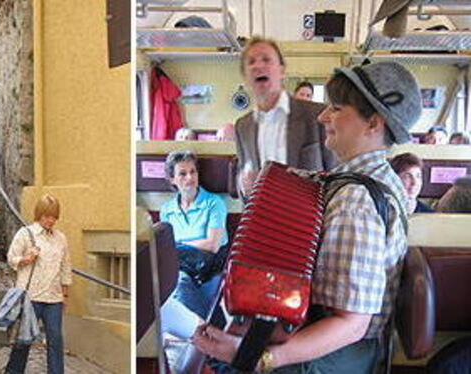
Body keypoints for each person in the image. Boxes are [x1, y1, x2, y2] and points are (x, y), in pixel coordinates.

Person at [193, 61, 421, 374]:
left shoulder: (356, 200)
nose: (322, 116)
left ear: (373, 124)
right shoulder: (372, 178)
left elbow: (351, 325)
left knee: (226, 364)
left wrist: (258, 358)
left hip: (341, 351)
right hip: (328, 333)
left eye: (337, 108)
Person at [235, 37, 335, 199]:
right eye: (251, 62)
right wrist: (242, 183)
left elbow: (336, 174)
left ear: (282, 71)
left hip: (309, 219)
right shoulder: (242, 127)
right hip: (262, 218)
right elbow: (242, 172)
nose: (258, 66)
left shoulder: (317, 116)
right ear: (245, 77)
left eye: (266, 60)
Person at [5, 194, 72, 374]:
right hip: (30, 297)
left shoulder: (60, 238)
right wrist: (27, 258)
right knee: (23, 340)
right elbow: (11, 259)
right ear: (39, 214)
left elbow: (65, 266)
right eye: (47, 216)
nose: (51, 220)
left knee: (55, 340)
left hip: (53, 298)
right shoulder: (26, 234)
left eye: (54, 217)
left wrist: (65, 294)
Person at [160, 150, 227, 320]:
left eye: (193, 172)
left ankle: (198, 330)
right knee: (177, 282)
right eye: (182, 174)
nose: (190, 178)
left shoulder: (214, 203)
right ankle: (196, 330)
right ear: (172, 179)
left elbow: (213, 244)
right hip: (182, 267)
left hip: (211, 265)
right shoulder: (167, 210)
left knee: (184, 285)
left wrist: (179, 243)